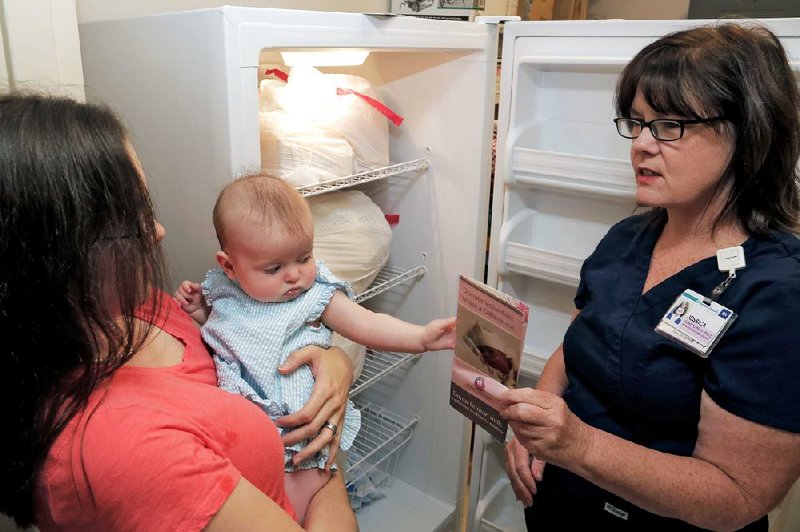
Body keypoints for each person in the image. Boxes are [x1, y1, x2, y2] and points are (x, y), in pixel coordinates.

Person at [0, 92, 358, 531]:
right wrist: (325, 475)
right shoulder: (121, 449)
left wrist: (332, 362)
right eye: (127, 222)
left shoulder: (138, 305)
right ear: (49, 255)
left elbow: (238, 350)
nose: (157, 231)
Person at [501, 22, 800, 531]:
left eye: (670, 125)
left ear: (749, 131)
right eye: (636, 122)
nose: (641, 144)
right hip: (563, 504)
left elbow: (737, 495)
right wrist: (540, 413)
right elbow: (581, 338)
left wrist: (576, 443)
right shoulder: (628, 237)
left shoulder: (778, 292)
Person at [174, 173, 456, 522]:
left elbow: (366, 324)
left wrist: (421, 338)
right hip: (243, 443)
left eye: (303, 258)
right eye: (275, 267)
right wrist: (202, 312)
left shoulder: (313, 295)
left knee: (303, 507)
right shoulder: (224, 292)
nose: (294, 275)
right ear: (230, 267)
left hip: (299, 444)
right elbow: (224, 335)